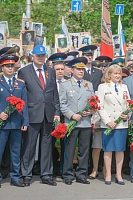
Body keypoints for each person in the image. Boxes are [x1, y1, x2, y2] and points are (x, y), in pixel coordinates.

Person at [19, 45, 60, 187]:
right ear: (33, 56)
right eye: (38, 55)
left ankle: (46, 174)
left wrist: (57, 112)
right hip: (32, 113)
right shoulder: (24, 72)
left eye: (43, 55)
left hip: (48, 114)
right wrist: (23, 115)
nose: (41, 57)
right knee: (29, 146)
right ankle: (26, 174)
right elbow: (22, 96)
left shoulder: (50, 71)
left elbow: (54, 93)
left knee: (47, 146)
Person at [59, 57, 94, 185]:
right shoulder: (65, 85)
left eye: (82, 69)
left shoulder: (88, 84)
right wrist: (72, 115)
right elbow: (62, 104)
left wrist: (90, 111)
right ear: (72, 70)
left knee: (84, 150)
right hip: (71, 122)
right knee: (70, 149)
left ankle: (81, 174)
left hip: (85, 122)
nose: (81, 71)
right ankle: (67, 174)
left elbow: (93, 102)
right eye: (78, 69)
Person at [97, 64, 130, 185]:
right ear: (109, 75)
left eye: (119, 73)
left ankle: (119, 175)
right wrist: (107, 121)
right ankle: (108, 175)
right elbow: (99, 106)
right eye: (115, 73)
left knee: (120, 149)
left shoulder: (124, 87)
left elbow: (129, 104)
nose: (117, 75)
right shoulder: (103, 87)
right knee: (108, 149)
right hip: (109, 123)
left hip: (121, 123)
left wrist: (127, 115)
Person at [0, 55, 29, 188]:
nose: (10, 68)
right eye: (7, 66)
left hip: (16, 122)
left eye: (12, 66)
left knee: (15, 151)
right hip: (2, 123)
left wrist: (25, 121)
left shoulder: (20, 83)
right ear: (2, 67)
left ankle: (15, 177)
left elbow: (25, 104)